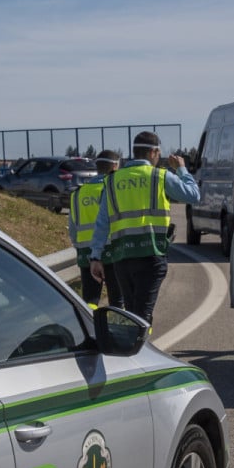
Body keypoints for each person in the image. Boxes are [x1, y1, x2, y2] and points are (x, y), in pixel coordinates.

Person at [88, 131, 200, 332]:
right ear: (154, 152)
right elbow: (193, 195)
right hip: (151, 255)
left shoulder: (113, 181)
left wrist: (95, 256)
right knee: (142, 316)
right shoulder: (160, 176)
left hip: (122, 258)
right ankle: (138, 354)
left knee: (133, 313)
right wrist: (182, 169)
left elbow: (102, 223)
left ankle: (133, 351)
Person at [68, 150, 119, 307]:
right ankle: (116, 330)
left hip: (86, 253)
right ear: (115, 166)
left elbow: (73, 230)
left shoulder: (77, 194)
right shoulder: (113, 189)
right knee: (117, 300)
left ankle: (92, 328)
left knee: (90, 300)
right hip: (113, 250)